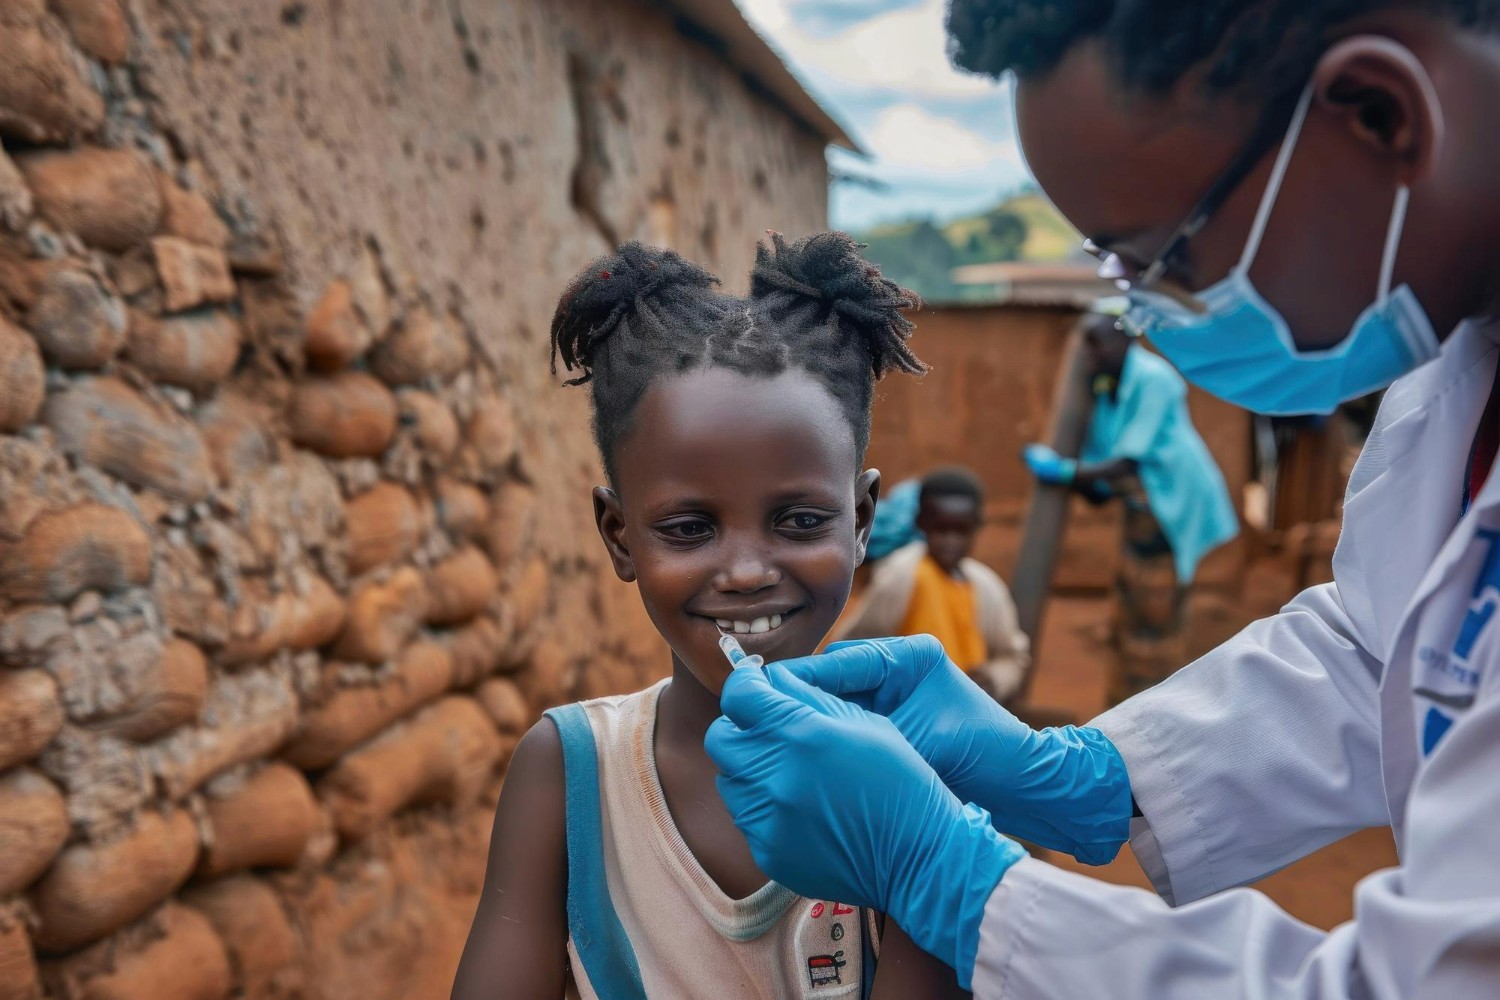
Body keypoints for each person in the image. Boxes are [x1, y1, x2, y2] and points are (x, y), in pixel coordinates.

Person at [704, 3, 1500, 998]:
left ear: (1381, 113)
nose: (1148, 310)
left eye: (1164, 260)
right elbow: (1388, 645)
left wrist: (951, 879)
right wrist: (1089, 771)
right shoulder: (1456, 374)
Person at [449, 235, 968, 999]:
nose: (750, 571)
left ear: (860, 521)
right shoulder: (570, 776)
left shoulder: (919, 778)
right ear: (618, 536)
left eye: (797, 520)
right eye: (689, 528)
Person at [1024, 302, 1239, 703]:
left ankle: (1158, 701)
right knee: (1130, 600)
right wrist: (1081, 476)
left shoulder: (1155, 379)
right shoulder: (1106, 384)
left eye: (1099, 344)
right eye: (1086, 346)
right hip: (1141, 507)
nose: (1092, 355)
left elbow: (1125, 461)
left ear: (1127, 339)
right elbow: (1105, 460)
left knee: (1155, 610)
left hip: (1172, 502)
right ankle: (1126, 699)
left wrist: (1066, 472)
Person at [831, 467, 1029, 701]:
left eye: (961, 531)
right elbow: (850, 646)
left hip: (967, 710)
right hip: (902, 711)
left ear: (976, 526)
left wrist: (991, 680)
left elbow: (1012, 656)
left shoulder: (987, 586)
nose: (950, 541)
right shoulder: (902, 574)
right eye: (941, 529)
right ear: (921, 522)